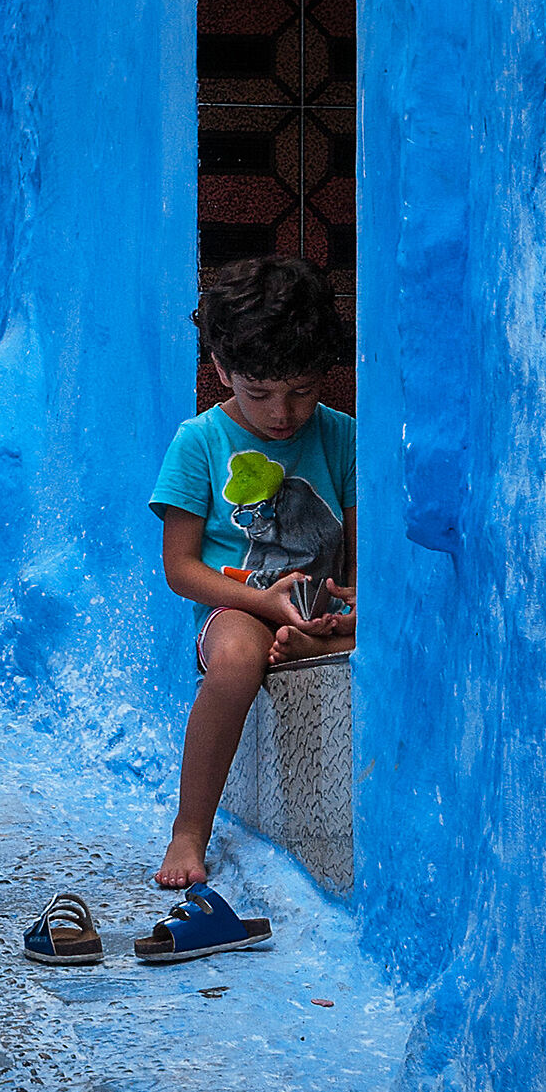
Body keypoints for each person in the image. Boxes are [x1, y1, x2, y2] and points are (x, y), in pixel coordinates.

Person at [149, 256, 356, 889]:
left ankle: (317, 638)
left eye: (301, 390)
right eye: (259, 393)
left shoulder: (343, 438)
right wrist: (263, 603)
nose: (283, 414)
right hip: (233, 608)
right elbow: (181, 570)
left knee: (370, 630)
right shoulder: (200, 441)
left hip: (318, 608)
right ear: (221, 370)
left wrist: (349, 602)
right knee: (240, 657)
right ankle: (190, 828)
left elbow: (360, 557)